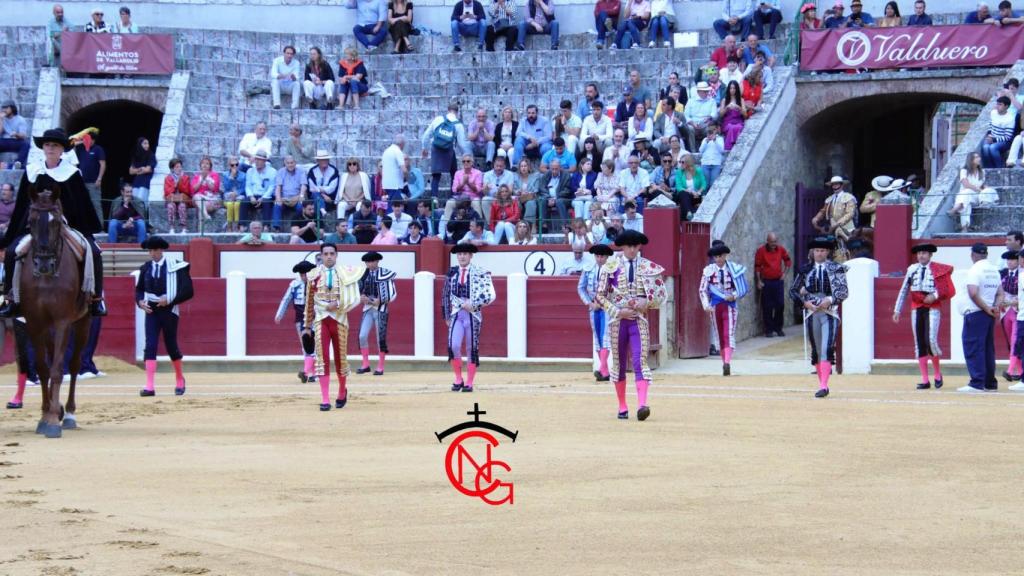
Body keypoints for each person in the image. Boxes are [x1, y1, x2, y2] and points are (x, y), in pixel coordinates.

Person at [1, 129, 106, 317]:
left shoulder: (72, 173)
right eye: (47, 145)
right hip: (35, 226)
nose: (50, 148)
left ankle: (96, 300)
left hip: (66, 225)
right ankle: (11, 300)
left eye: (55, 145)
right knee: (11, 252)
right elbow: (23, 204)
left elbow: (81, 204)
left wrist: (64, 217)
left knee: (95, 252)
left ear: (62, 150)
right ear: (43, 148)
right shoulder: (33, 171)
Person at [595, 230, 666, 420]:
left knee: (639, 361)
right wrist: (618, 312)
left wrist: (647, 303)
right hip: (618, 322)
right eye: (629, 246)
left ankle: (643, 404)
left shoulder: (648, 267)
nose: (633, 250)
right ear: (623, 246)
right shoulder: (610, 266)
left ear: (639, 246)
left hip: (638, 320)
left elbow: (660, 295)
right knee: (618, 364)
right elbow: (600, 296)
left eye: (636, 246)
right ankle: (622, 405)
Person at [303, 243, 365, 411]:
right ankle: (325, 399)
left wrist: (337, 303)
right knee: (321, 359)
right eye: (326, 254)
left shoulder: (346, 273)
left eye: (332, 253)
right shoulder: (313, 275)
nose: (329, 256)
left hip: (339, 319)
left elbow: (354, 297)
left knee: (340, 358)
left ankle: (341, 391)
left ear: (336, 255)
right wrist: (307, 326)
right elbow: (309, 301)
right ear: (321, 256)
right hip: (321, 319)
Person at [136, 237, 194, 397]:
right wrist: (140, 302)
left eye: (155, 250)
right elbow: (139, 289)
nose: (152, 253)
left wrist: (169, 299)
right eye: (150, 250)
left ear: (162, 250)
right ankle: (149, 386)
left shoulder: (177, 267)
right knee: (151, 345)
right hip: (152, 310)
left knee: (171, 345)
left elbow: (188, 290)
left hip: (169, 309)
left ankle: (179, 379)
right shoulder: (145, 268)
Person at [790, 237, 848, 398]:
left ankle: (824, 385)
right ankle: (821, 383)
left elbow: (843, 291)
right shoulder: (805, 270)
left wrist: (829, 299)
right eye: (816, 250)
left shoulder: (837, 269)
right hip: (812, 313)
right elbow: (793, 291)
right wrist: (804, 303)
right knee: (816, 349)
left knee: (826, 348)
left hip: (830, 313)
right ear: (812, 252)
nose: (819, 253)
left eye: (822, 250)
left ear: (827, 252)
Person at [892, 243, 955, 390]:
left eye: (924, 253)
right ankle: (925, 379)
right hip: (917, 307)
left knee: (931, 340)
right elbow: (904, 290)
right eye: (919, 253)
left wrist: (935, 296)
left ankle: (937, 374)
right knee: (919, 342)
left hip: (932, 307)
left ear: (930, 255)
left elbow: (946, 289)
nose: (921, 256)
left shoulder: (937, 269)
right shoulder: (912, 269)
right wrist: (897, 310)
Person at [442, 243, 496, 392]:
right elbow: (445, 295)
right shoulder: (452, 273)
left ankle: (469, 382)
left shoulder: (480, 272)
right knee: (453, 346)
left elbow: (490, 294)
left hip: (473, 315)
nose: (462, 256)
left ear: (471, 256)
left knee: (471, 348)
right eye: (459, 254)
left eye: (465, 254)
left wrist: (474, 303)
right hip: (456, 315)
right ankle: (458, 378)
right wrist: (446, 315)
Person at [958, 243, 1003, 392]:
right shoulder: (994, 270)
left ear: (973, 254)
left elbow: (973, 292)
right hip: (988, 315)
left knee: (973, 347)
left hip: (976, 313)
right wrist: (995, 307)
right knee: (987, 348)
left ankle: (977, 382)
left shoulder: (975, 269)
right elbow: (1000, 293)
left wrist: (985, 308)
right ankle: (990, 383)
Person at [699, 244, 748, 376]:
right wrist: (705, 305)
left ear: (725, 255)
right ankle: (724, 363)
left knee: (728, 334)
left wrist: (735, 295)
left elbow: (743, 288)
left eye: (720, 256)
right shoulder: (708, 270)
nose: (718, 259)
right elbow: (702, 290)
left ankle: (727, 362)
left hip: (730, 306)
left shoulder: (734, 269)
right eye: (716, 256)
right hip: (715, 306)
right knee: (720, 335)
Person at [276, 260, 318, 384]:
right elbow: (286, 300)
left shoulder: (317, 284)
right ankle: (310, 373)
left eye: (306, 274)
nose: (304, 276)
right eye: (301, 274)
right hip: (301, 319)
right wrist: (279, 314)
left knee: (315, 345)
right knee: (306, 346)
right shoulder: (294, 285)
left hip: (316, 318)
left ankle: (310, 373)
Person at [355, 251, 398, 376]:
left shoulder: (385, 274)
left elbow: (393, 293)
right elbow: (358, 289)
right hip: (367, 308)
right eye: (367, 262)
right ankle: (365, 364)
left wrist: (381, 300)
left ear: (377, 261)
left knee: (381, 338)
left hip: (381, 309)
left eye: (372, 261)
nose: (369, 264)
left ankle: (380, 366)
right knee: (362, 336)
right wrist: (361, 297)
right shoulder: (363, 274)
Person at [422, 103, 470, 198]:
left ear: (448, 110)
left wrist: (424, 148)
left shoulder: (438, 119)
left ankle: (434, 198)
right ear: (457, 112)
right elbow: (461, 144)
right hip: (448, 150)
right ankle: (452, 196)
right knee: (453, 173)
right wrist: (467, 155)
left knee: (436, 175)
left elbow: (426, 135)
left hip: (436, 149)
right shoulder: (458, 125)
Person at [948, 152, 999, 232]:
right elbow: (966, 184)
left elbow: (982, 185)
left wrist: (984, 188)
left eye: (979, 157)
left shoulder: (982, 172)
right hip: (966, 195)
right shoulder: (964, 171)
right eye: (976, 157)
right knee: (966, 199)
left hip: (977, 197)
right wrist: (978, 189)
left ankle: (955, 209)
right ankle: (965, 227)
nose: (979, 159)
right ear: (970, 160)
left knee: (969, 194)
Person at [811, 175, 857, 263]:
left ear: (841, 185)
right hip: (832, 228)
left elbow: (850, 213)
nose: (835, 187)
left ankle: (846, 259)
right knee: (820, 241)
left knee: (843, 243)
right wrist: (816, 218)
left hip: (846, 227)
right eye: (833, 185)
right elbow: (823, 211)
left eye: (836, 184)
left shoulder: (849, 197)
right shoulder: (830, 199)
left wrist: (838, 224)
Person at [753, 232, 790, 338]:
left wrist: (785, 273)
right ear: (767, 241)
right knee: (767, 306)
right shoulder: (761, 251)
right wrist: (758, 281)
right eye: (772, 242)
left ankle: (778, 328)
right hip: (767, 282)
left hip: (778, 281)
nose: (774, 244)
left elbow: (788, 261)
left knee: (780, 305)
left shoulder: (781, 249)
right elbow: (757, 266)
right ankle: (769, 330)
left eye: (775, 241)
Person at [1000, 250, 1021, 381]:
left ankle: (1009, 370)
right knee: (1010, 341)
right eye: (1008, 260)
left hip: (1018, 310)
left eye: (1012, 260)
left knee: (1015, 340)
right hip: (1005, 311)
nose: (1009, 262)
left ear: (1018, 261)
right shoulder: (1002, 273)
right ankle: (1020, 371)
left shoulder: (1022, 273)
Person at [72, 130, 105, 213]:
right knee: (80, 204)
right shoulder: (81, 148)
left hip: (94, 183)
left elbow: (103, 164)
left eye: (88, 139)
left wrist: (99, 179)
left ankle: (99, 226)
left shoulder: (98, 149)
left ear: (93, 140)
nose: (86, 141)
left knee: (96, 205)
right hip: (81, 182)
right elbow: (70, 147)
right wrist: (80, 142)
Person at [242, 150, 276, 225]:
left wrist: (263, 198)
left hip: (266, 195)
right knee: (244, 201)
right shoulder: (250, 171)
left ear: (264, 161)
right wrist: (251, 196)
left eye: (259, 160)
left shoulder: (272, 171)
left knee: (267, 202)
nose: (257, 162)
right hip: (253, 195)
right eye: (256, 159)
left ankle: (266, 226)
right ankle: (242, 225)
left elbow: (272, 187)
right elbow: (248, 186)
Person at [128, 137, 156, 215]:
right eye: (145, 143)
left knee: (141, 201)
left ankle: (142, 220)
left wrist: (137, 170)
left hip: (146, 181)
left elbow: (148, 169)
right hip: (137, 182)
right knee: (133, 200)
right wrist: (141, 169)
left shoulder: (151, 155)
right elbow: (130, 171)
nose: (147, 145)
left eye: (148, 143)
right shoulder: (136, 156)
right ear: (140, 145)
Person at [162, 158, 192, 234]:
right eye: (177, 167)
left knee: (182, 206)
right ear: (172, 168)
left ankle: (184, 228)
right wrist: (175, 186)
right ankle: (171, 227)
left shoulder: (186, 177)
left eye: (180, 167)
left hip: (182, 199)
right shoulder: (168, 178)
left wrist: (180, 182)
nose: (179, 169)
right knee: (171, 206)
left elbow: (187, 191)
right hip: (172, 199)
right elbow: (167, 192)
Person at [307, 150, 340, 218]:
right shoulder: (312, 171)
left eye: (326, 159)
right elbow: (311, 188)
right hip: (316, 197)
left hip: (329, 199)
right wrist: (323, 195)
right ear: (318, 161)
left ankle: (319, 226)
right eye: (322, 160)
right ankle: (322, 211)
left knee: (317, 200)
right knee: (316, 196)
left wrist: (319, 190)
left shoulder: (334, 171)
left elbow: (332, 188)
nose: (324, 161)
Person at [191, 156, 222, 223]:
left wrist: (207, 178)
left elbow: (215, 189)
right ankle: (206, 215)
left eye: (207, 163)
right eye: (203, 163)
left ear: (210, 166)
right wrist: (201, 179)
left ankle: (201, 232)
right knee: (197, 197)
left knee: (201, 208)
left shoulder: (214, 175)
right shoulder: (196, 176)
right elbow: (193, 190)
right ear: (200, 165)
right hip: (199, 199)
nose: (204, 165)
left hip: (210, 199)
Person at [270, 46, 301, 110]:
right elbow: (273, 74)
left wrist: (293, 77)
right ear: (284, 53)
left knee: (297, 84)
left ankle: (294, 106)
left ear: (293, 55)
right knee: (275, 81)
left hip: (289, 85)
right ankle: (277, 104)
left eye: (291, 54)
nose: (289, 55)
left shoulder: (296, 63)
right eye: (287, 53)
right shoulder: (277, 60)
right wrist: (281, 76)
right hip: (280, 85)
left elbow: (296, 77)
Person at [0, 102, 30, 168]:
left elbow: (23, 136)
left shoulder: (20, 119)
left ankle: (17, 164)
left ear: (12, 108)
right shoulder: (1, 119)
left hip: (15, 141)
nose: (4, 110)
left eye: (6, 108)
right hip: (3, 141)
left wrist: (16, 134)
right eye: (3, 108)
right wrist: (1, 120)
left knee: (26, 144)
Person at [719, 81, 747, 151]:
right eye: (731, 88)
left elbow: (745, 115)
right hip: (728, 122)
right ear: (728, 89)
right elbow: (721, 114)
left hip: (738, 121)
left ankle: (737, 148)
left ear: (737, 89)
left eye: (734, 88)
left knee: (738, 127)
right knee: (731, 127)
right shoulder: (724, 100)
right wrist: (727, 108)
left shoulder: (741, 100)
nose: (732, 90)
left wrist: (739, 108)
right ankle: (729, 147)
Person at [223, 156, 245, 232]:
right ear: (229, 165)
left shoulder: (243, 175)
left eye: (236, 164)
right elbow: (226, 187)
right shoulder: (225, 175)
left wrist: (237, 193)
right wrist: (231, 177)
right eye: (232, 165)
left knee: (237, 204)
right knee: (229, 205)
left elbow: (243, 188)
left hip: (239, 195)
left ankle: (236, 226)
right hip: (228, 195)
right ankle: (229, 226)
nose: (235, 166)